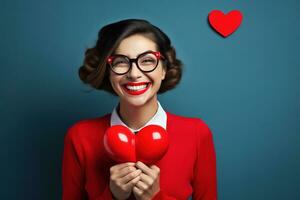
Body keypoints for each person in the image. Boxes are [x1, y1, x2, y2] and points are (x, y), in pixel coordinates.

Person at [62, 18, 217, 200]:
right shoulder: (80, 137)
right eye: (120, 62)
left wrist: (156, 197)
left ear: (164, 69)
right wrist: (111, 196)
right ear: (108, 70)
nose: (134, 74)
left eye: (147, 60)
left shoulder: (197, 134)